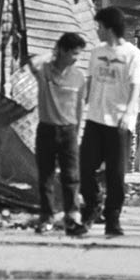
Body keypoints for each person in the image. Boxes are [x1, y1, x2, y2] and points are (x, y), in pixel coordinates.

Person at [80, 6, 140, 237]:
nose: (97, 31)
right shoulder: (96, 52)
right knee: (85, 168)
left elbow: (135, 87)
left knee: (116, 175)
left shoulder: (132, 54)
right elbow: (89, 83)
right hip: (95, 119)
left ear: (109, 28)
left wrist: (128, 114)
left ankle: (113, 218)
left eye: (99, 27)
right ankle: (92, 206)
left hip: (119, 122)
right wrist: (82, 106)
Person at [26, 32, 88, 236]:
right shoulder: (44, 71)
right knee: (46, 176)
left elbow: (79, 108)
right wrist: (53, 54)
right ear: (62, 50)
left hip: (69, 131)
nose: (76, 58)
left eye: (79, 54)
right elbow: (31, 61)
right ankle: (47, 218)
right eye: (73, 53)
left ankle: (72, 217)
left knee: (71, 177)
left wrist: (78, 133)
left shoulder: (79, 77)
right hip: (46, 129)